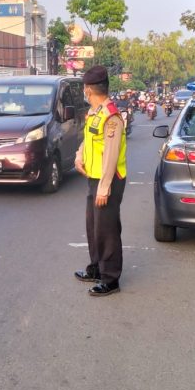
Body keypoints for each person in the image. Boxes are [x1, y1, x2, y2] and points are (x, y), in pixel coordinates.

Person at [73, 65, 127, 297]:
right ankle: (96, 268)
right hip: (94, 178)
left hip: (109, 180)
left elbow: (112, 155)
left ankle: (110, 278)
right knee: (93, 226)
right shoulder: (95, 113)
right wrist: (78, 156)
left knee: (107, 230)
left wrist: (104, 188)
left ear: (88, 89)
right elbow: (89, 139)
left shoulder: (111, 116)